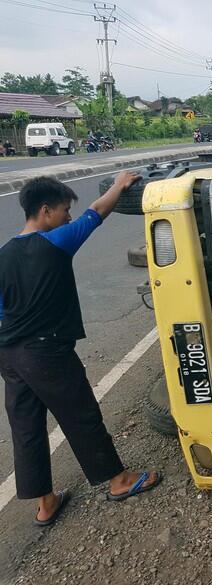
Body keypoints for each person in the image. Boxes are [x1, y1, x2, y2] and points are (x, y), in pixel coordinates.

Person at [0, 172, 163, 527]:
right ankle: (119, 481)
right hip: (46, 352)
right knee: (81, 414)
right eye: (62, 211)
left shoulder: (3, 255)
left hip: (10, 355)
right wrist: (120, 185)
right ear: (45, 211)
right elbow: (95, 214)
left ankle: (45, 503)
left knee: (26, 427)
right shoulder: (55, 242)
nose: (68, 218)